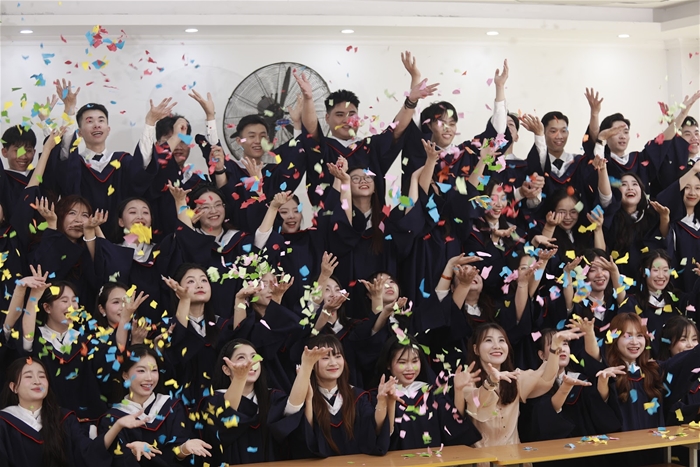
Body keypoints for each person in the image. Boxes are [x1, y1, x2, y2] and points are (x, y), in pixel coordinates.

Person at [294, 52, 438, 207]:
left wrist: (412, 98)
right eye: (339, 114)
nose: (347, 120)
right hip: (331, 220)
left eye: (352, 114)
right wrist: (308, 99)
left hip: (373, 221)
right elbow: (311, 130)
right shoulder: (323, 148)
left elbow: (396, 129)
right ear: (327, 118)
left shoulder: (370, 147)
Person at [53, 79, 174, 240]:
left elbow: (143, 167)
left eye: (101, 120)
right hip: (83, 240)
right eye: (89, 121)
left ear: (108, 129)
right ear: (79, 132)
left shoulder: (122, 161)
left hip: (122, 242)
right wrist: (69, 110)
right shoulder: (76, 164)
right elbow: (66, 153)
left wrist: (150, 123)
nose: (96, 125)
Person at [461, 323, 582, 461]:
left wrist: (554, 348)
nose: (497, 346)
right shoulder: (468, 380)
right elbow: (477, 404)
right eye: (488, 340)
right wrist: (491, 382)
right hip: (482, 461)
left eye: (501, 340)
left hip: (514, 460)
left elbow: (546, 380)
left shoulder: (515, 379)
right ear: (476, 349)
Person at [0, 357, 145, 467]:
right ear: (14, 387)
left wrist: (117, 426)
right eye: (28, 376)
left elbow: (89, 453)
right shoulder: (4, 424)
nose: (37, 381)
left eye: (42, 376)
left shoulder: (64, 419)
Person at [99, 344, 213, 465]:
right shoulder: (113, 418)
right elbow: (108, 459)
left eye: (154, 370)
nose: (149, 378)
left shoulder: (172, 407)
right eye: (141, 371)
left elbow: (178, 455)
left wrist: (184, 448)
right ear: (125, 375)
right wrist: (131, 452)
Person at [286, 334, 393, 457]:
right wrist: (309, 400)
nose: (333, 363)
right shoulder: (302, 396)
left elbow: (374, 431)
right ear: (312, 363)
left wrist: (382, 401)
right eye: (325, 358)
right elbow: (305, 439)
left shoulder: (357, 396)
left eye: (338, 356)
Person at [198, 339, 303, 464]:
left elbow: (292, 409)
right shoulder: (214, 400)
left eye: (254, 357)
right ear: (226, 370)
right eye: (241, 357)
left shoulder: (272, 396)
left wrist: (306, 366)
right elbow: (226, 418)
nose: (250, 362)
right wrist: (239, 378)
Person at [372, 335, 482, 450]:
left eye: (415, 361)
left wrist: (458, 390)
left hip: (432, 458)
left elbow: (454, 426)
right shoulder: (379, 395)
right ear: (388, 364)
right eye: (402, 362)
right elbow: (380, 438)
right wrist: (387, 401)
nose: (410, 368)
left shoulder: (432, 393)